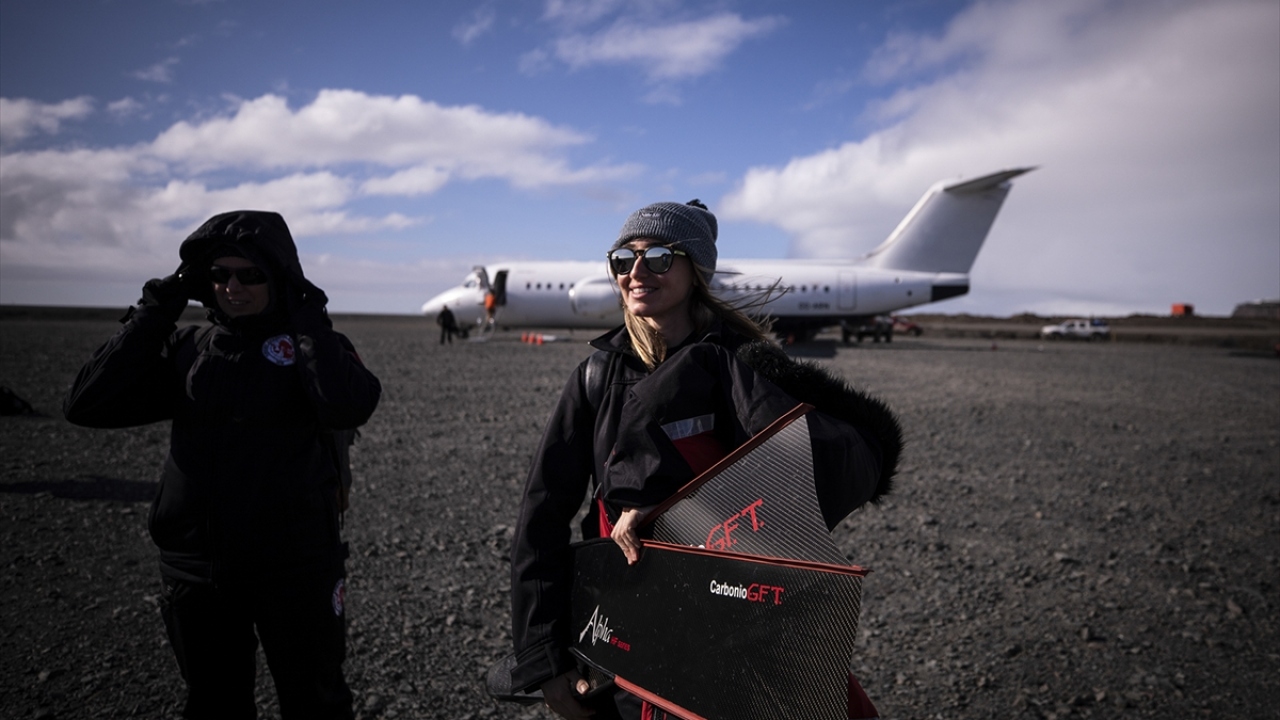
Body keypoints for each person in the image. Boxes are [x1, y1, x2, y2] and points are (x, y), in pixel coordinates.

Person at [507, 200, 903, 719]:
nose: (636, 272)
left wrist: (675, 509)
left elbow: (813, 474)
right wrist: (544, 657)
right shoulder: (596, 376)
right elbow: (542, 515)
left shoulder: (741, 366)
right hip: (626, 626)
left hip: (736, 626)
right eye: (623, 259)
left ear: (697, 271)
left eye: (660, 258)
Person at [63, 211, 382, 720]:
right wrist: (153, 315)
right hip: (198, 569)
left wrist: (307, 322)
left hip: (296, 567)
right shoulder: (188, 350)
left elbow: (347, 405)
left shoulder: (316, 348)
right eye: (220, 275)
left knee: (316, 701)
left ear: (279, 277)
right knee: (214, 702)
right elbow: (87, 404)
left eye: (250, 274)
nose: (233, 287)